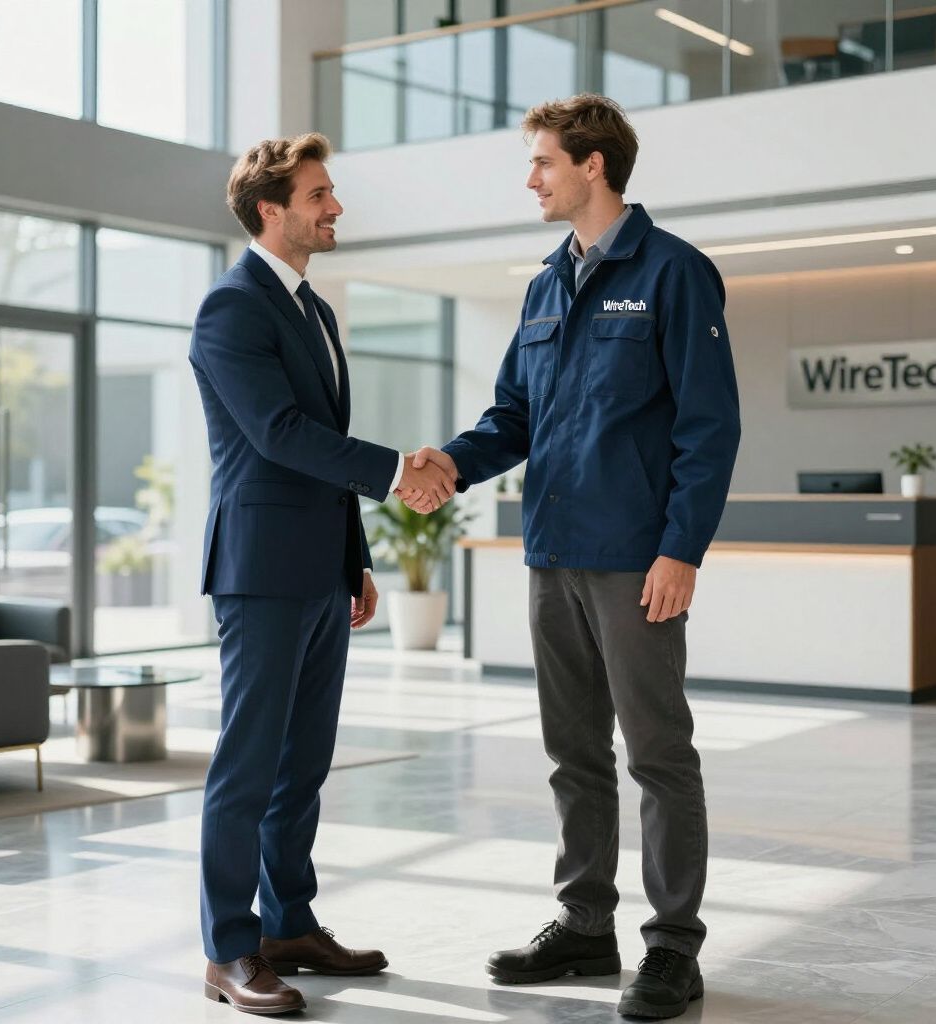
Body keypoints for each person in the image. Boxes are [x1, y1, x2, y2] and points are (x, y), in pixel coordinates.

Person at [404, 94, 740, 1020]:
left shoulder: (674, 273)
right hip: (551, 553)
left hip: (635, 561)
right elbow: (514, 417)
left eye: (543, 162)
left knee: (659, 753)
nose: (532, 179)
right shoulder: (546, 283)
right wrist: (449, 465)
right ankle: (586, 923)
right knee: (573, 752)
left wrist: (682, 550)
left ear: (593, 164)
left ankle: (673, 947)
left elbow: (711, 430)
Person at [189, 133, 455, 1015]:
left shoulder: (316, 311)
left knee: (303, 763)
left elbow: (315, 452)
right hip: (261, 571)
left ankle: (288, 923)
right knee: (249, 764)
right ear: (271, 210)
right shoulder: (232, 309)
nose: (334, 207)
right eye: (319, 195)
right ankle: (230, 949)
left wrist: (357, 559)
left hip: (317, 568)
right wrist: (397, 473)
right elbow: (279, 436)